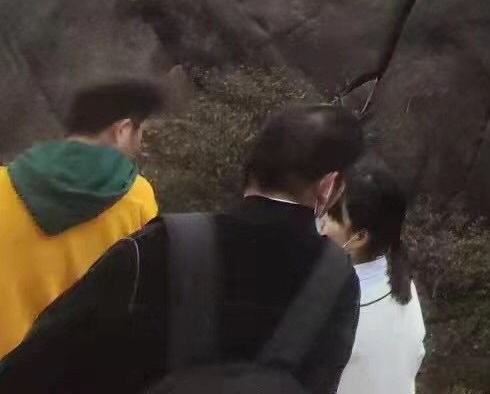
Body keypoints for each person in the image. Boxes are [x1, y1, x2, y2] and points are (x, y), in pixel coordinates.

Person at [0, 103, 366, 394]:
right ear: (328, 185)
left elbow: (32, 369)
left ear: (250, 163)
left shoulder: (159, 248)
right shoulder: (336, 283)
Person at [0, 77, 167, 359]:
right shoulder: (138, 199)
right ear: (123, 130)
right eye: (141, 133)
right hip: (67, 371)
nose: (141, 144)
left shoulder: (3, 182)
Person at [320, 161, 426, 394]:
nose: (323, 222)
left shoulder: (338, 309)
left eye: (333, 215)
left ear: (359, 237)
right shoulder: (402, 288)